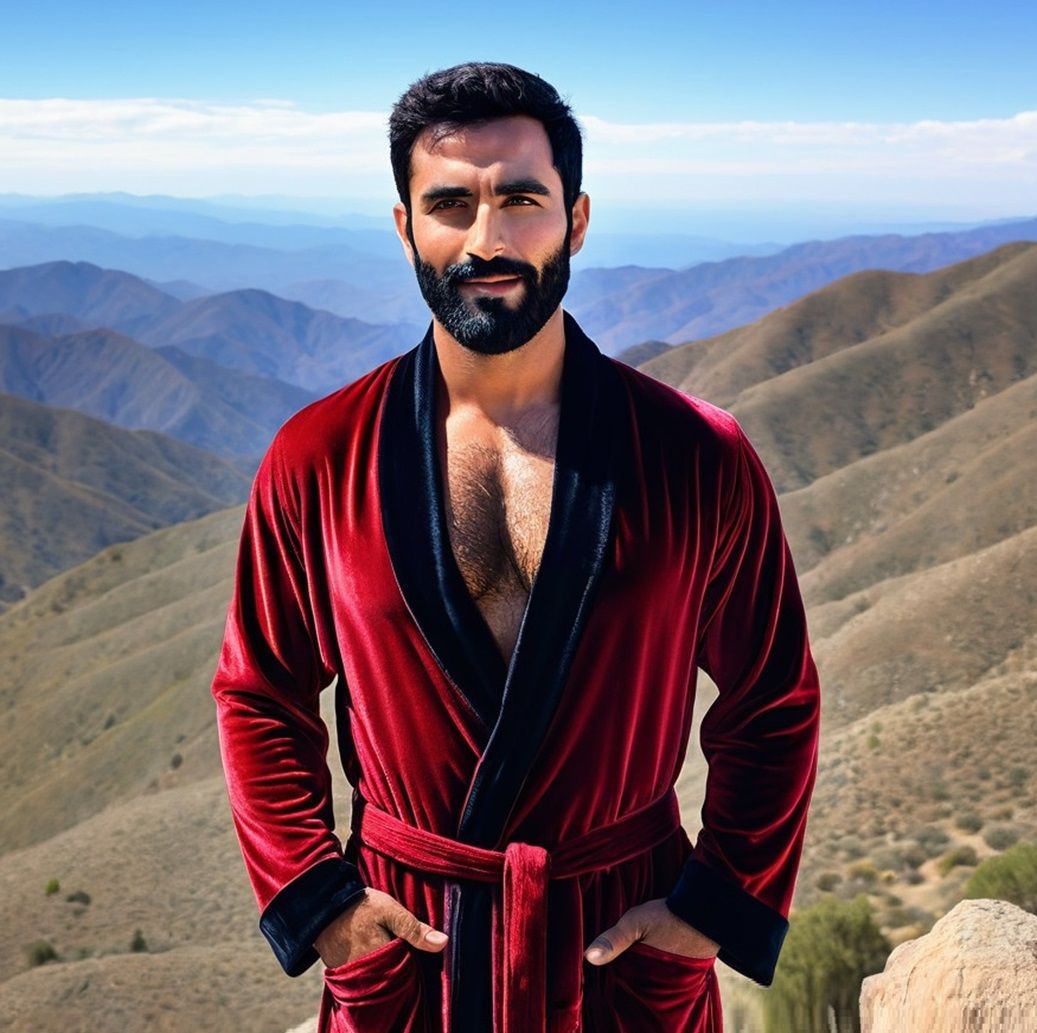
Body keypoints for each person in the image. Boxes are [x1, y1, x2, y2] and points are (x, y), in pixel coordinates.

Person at [210, 61, 821, 1033]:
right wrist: (323, 907)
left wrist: (707, 911)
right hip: (413, 951)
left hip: (617, 947)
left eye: (520, 201)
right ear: (405, 226)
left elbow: (772, 699)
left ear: (575, 220)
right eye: (449, 204)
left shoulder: (695, 454)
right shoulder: (318, 457)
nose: (486, 239)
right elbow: (261, 694)